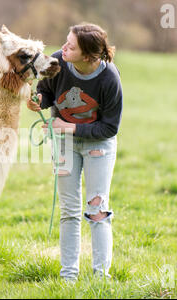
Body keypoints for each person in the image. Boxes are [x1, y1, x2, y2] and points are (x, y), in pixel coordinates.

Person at [27, 23, 123, 280]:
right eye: (65, 41)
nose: (63, 48)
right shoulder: (58, 62)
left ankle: (101, 279)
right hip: (64, 144)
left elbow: (110, 128)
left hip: (97, 145)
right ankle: (68, 279)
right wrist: (38, 100)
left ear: (89, 55)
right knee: (69, 211)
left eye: (71, 46)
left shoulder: (109, 79)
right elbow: (46, 93)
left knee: (97, 210)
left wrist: (69, 128)